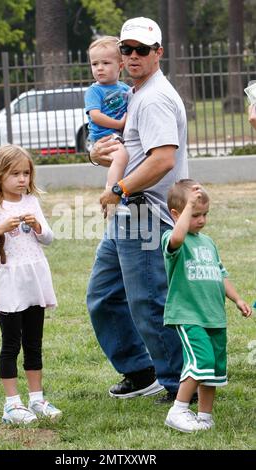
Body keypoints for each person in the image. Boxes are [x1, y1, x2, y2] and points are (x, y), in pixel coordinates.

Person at [87, 17, 188, 402]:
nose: (132, 56)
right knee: (104, 295)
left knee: (148, 303)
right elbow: (128, 149)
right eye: (126, 49)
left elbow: (162, 159)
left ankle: (181, 384)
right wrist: (98, 156)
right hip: (129, 211)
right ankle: (140, 371)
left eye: (141, 50)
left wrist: (119, 188)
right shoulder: (136, 93)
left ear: (158, 53)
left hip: (147, 213)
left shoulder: (155, 97)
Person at [0, 144, 61, 424]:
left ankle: (37, 399)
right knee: (11, 344)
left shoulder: (31, 202)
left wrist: (38, 227)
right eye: (15, 174)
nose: (22, 179)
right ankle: (12, 404)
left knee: (34, 343)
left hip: (35, 281)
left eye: (26, 173)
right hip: (10, 283)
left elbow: (49, 239)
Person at [162, 179, 252, 432]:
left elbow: (220, 274)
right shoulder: (172, 237)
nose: (201, 220)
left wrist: (237, 299)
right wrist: (188, 206)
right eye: (195, 214)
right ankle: (178, 410)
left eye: (205, 214)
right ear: (176, 215)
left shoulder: (208, 243)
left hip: (214, 316)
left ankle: (204, 417)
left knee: (211, 369)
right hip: (188, 315)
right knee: (201, 360)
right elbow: (177, 238)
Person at [85, 36, 130, 189]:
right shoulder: (94, 91)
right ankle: (112, 190)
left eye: (105, 63)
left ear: (120, 66)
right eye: (95, 64)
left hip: (117, 134)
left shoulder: (125, 88)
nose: (99, 68)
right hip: (104, 136)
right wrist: (119, 124)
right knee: (121, 157)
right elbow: (95, 116)